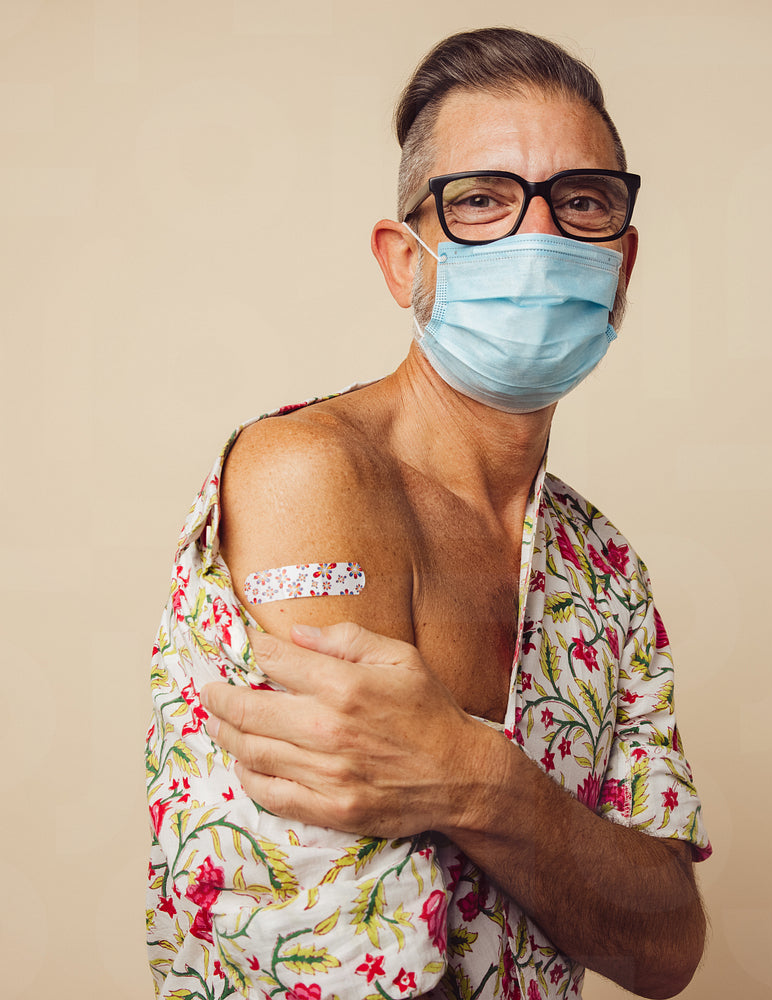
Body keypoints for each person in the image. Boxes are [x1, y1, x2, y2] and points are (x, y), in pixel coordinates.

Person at [146, 27, 710, 1000]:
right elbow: (348, 948)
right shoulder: (310, 474)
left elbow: (664, 946)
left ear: (622, 264)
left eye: (581, 201)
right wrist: (551, 832)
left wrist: (468, 774)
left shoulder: (605, 569)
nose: (539, 237)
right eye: (483, 199)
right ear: (405, 261)